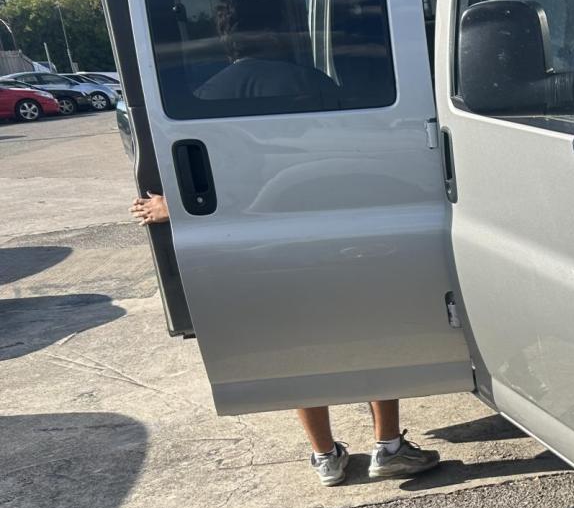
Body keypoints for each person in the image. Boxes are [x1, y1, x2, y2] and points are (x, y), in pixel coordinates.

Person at [131, 192, 440, 486]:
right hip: (331, 222)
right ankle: (388, 448)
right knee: (369, 327)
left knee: (302, 343)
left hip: (275, 237)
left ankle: (326, 457)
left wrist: (178, 204)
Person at [193, 0, 341, 105]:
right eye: (287, 25)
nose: (292, 32)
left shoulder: (202, 97)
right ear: (271, 32)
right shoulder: (310, 83)